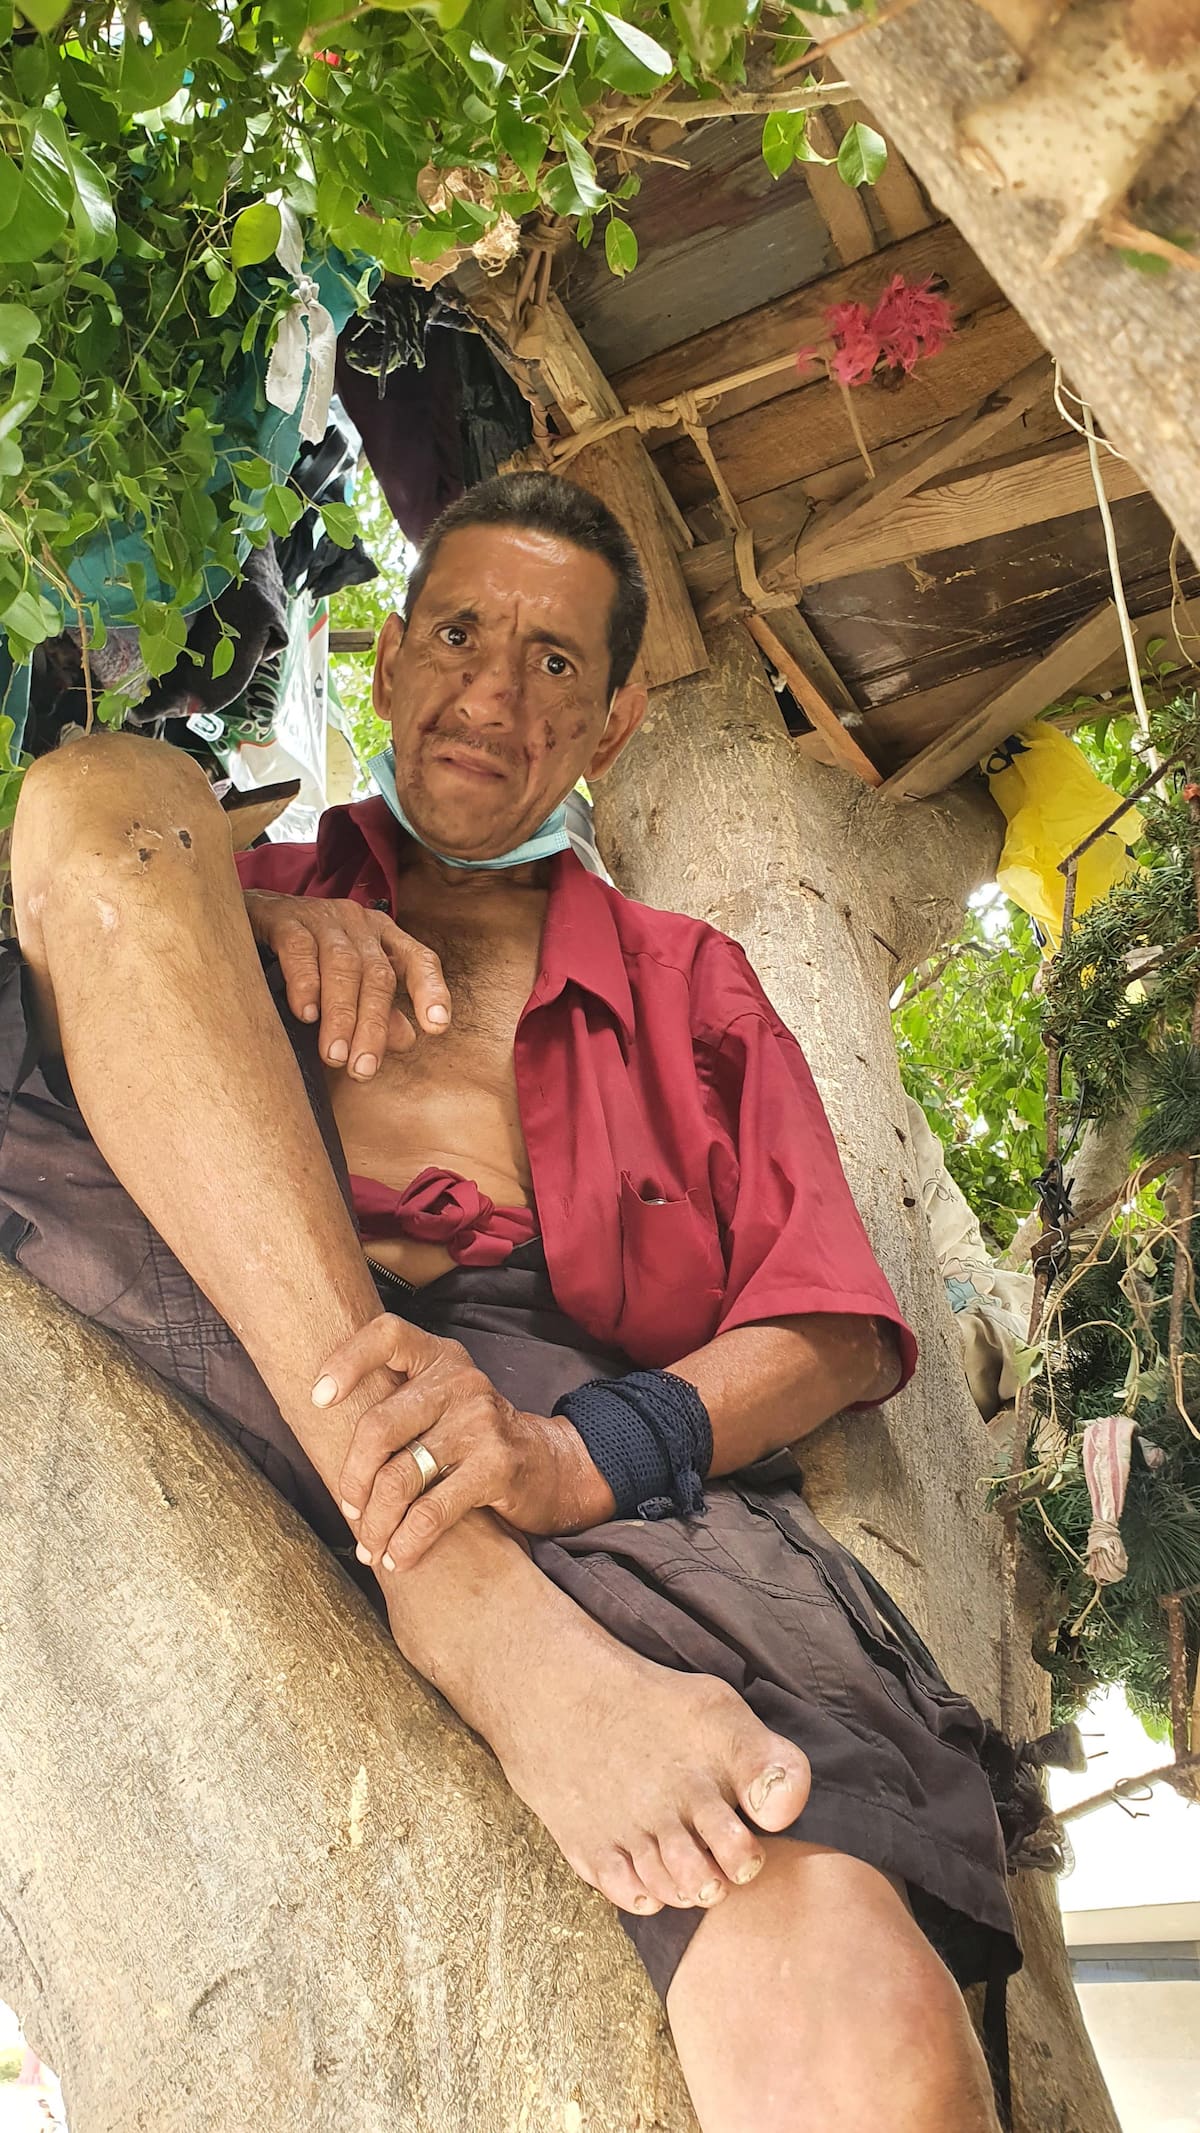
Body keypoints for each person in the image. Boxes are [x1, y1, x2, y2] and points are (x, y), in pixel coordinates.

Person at [1, 473, 1019, 2133]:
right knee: (93, 782)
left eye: (556, 662)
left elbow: (830, 1319)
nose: (493, 688)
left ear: (615, 723)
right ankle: (456, 1590)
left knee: (865, 2012)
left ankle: (473, 1563)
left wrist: (569, 1456)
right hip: (235, 1330)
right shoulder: (230, 882)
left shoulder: (694, 981)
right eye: (460, 632)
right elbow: (79, 870)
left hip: (579, 1472)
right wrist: (247, 917)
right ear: (388, 658)